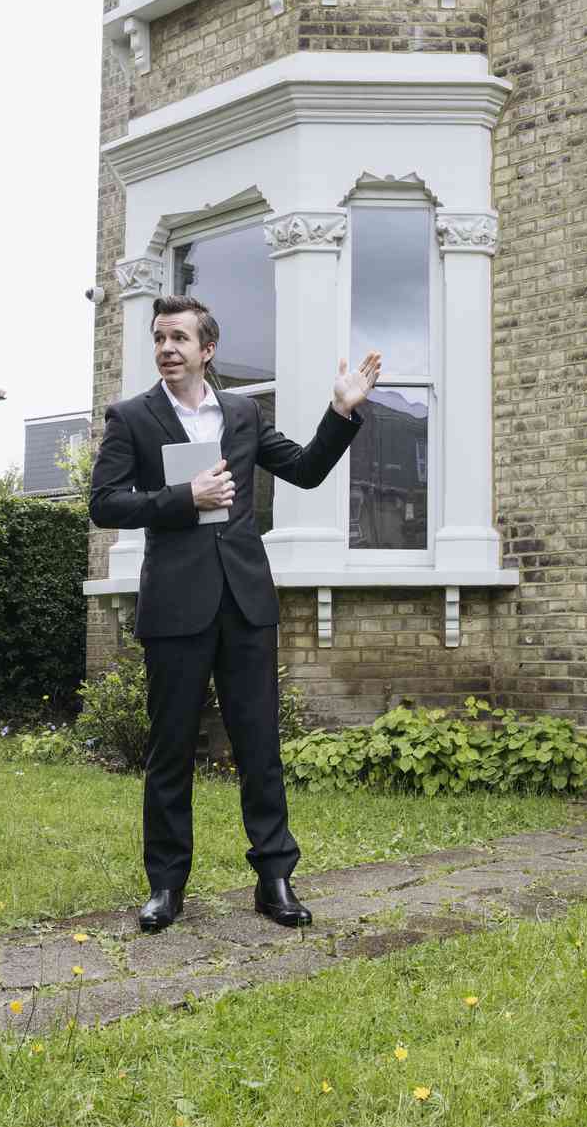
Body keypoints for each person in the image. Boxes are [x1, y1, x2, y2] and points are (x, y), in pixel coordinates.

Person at [90, 295, 381, 932]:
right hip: (174, 605)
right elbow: (105, 504)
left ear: (207, 349)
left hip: (246, 602)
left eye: (179, 339)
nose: (167, 349)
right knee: (170, 749)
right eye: (160, 338)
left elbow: (304, 470)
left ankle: (274, 877)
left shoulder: (244, 414)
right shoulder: (132, 417)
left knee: (260, 746)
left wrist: (340, 412)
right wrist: (181, 497)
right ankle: (166, 886)